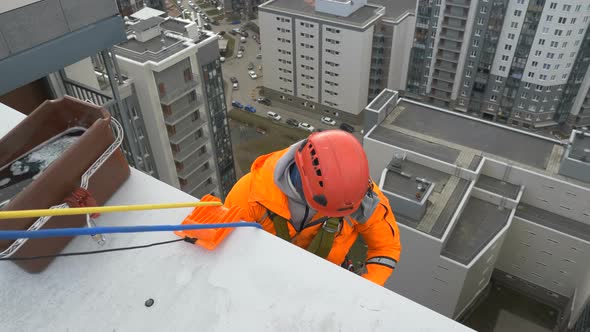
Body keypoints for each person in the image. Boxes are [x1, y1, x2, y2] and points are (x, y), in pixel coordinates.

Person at [224, 130, 401, 286]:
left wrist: (361, 290)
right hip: (265, 277)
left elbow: (386, 247)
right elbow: (229, 247)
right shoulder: (251, 196)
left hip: (326, 281)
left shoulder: (359, 195)